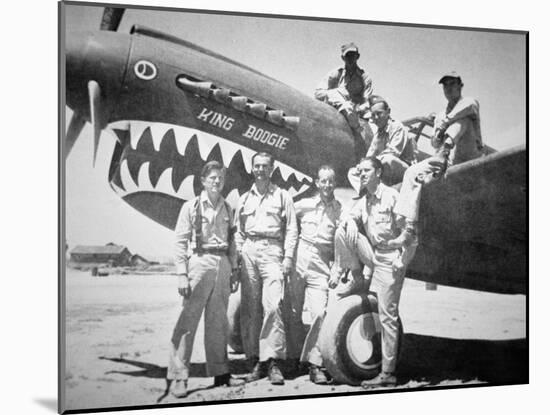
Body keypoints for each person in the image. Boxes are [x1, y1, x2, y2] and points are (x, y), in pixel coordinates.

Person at [329, 157, 417, 388]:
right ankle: (357, 278)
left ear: (378, 172)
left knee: (387, 315)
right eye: (360, 171)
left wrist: (402, 260)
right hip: (374, 254)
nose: (362, 174)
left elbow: (410, 234)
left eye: (366, 170)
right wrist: (348, 220)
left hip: (391, 258)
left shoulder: (391, 196)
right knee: (342, 231)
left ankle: (388, 374)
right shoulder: (364, 199)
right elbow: (349, 215)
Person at [168, 161, 245, 399]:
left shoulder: (228, 209)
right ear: (203, 180)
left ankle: (221, 372)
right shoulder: (190, 207)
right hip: (199, 263)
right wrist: (182, 273)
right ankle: (179, 376)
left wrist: (234, 270)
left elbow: (233, 243)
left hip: (222, 264)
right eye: (212, 178)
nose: (216, 182)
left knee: (218, 322)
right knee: (187, 321)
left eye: (220, 178)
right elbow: (180, 242)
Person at [234, 152, 298, 385]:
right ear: (252, 169)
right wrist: (239, 256)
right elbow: (238, 232)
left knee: (273, 306)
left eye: (265, 166)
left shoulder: (282, 196)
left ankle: (273, 362)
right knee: (250, 308)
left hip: (273, 251)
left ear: (272, 169)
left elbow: (291, 229)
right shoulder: (243, 199)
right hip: (249, 250)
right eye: (257, 166)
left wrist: (288, 257)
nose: (260, 170)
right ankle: (254, 362)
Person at [394, 71, 484, 226]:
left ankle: (445, 152)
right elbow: (434, 144)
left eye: (452, 84)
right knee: (411, 172)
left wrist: (445, 124)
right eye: (445, 85)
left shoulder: (470, 102)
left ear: (460, 86)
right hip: (446, 160)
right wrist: (437, 135)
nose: (448, 88)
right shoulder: (440, 115)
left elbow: (468, 107)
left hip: (469, 156)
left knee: (463, 120)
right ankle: (405, 223)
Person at [285, 165, 342, 384]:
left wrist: (337, 269)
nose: (327, 185)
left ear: (334, 183)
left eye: (331, 181)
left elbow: (343, 240)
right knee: (292, 313)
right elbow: (286, 220)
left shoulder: (339, 209)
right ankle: (292, 359)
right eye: (323, 181)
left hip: (321, 265)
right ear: (317, 183)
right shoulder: (304, 205)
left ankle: (314, 363)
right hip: (299, 260)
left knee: (319, 314)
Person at [314, 42, 375, 158]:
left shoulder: (364, 77)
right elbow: (318, 92)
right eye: (348, 56)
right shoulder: (336, 73)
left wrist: (358, 108)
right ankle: (348, 112)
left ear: (358, 56)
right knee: (335, 94)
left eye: (353, 55)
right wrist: (337, 94)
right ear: (343, 57)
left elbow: (368, 101)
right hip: (336, 107)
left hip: (359, 112)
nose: (350, 58)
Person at [365, 95, 417, 185]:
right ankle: (366, 192)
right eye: (373, 115)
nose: (376, 117)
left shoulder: (397, 127)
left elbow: (393, 153)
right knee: (354, 171)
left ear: (388, 112)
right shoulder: (378, 134)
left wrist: (371, 163)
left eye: (379, 113)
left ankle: (379, 189)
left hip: (407, 170)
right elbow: (370, 154)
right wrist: (363, 164)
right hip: (385, 165)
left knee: (387, 160)